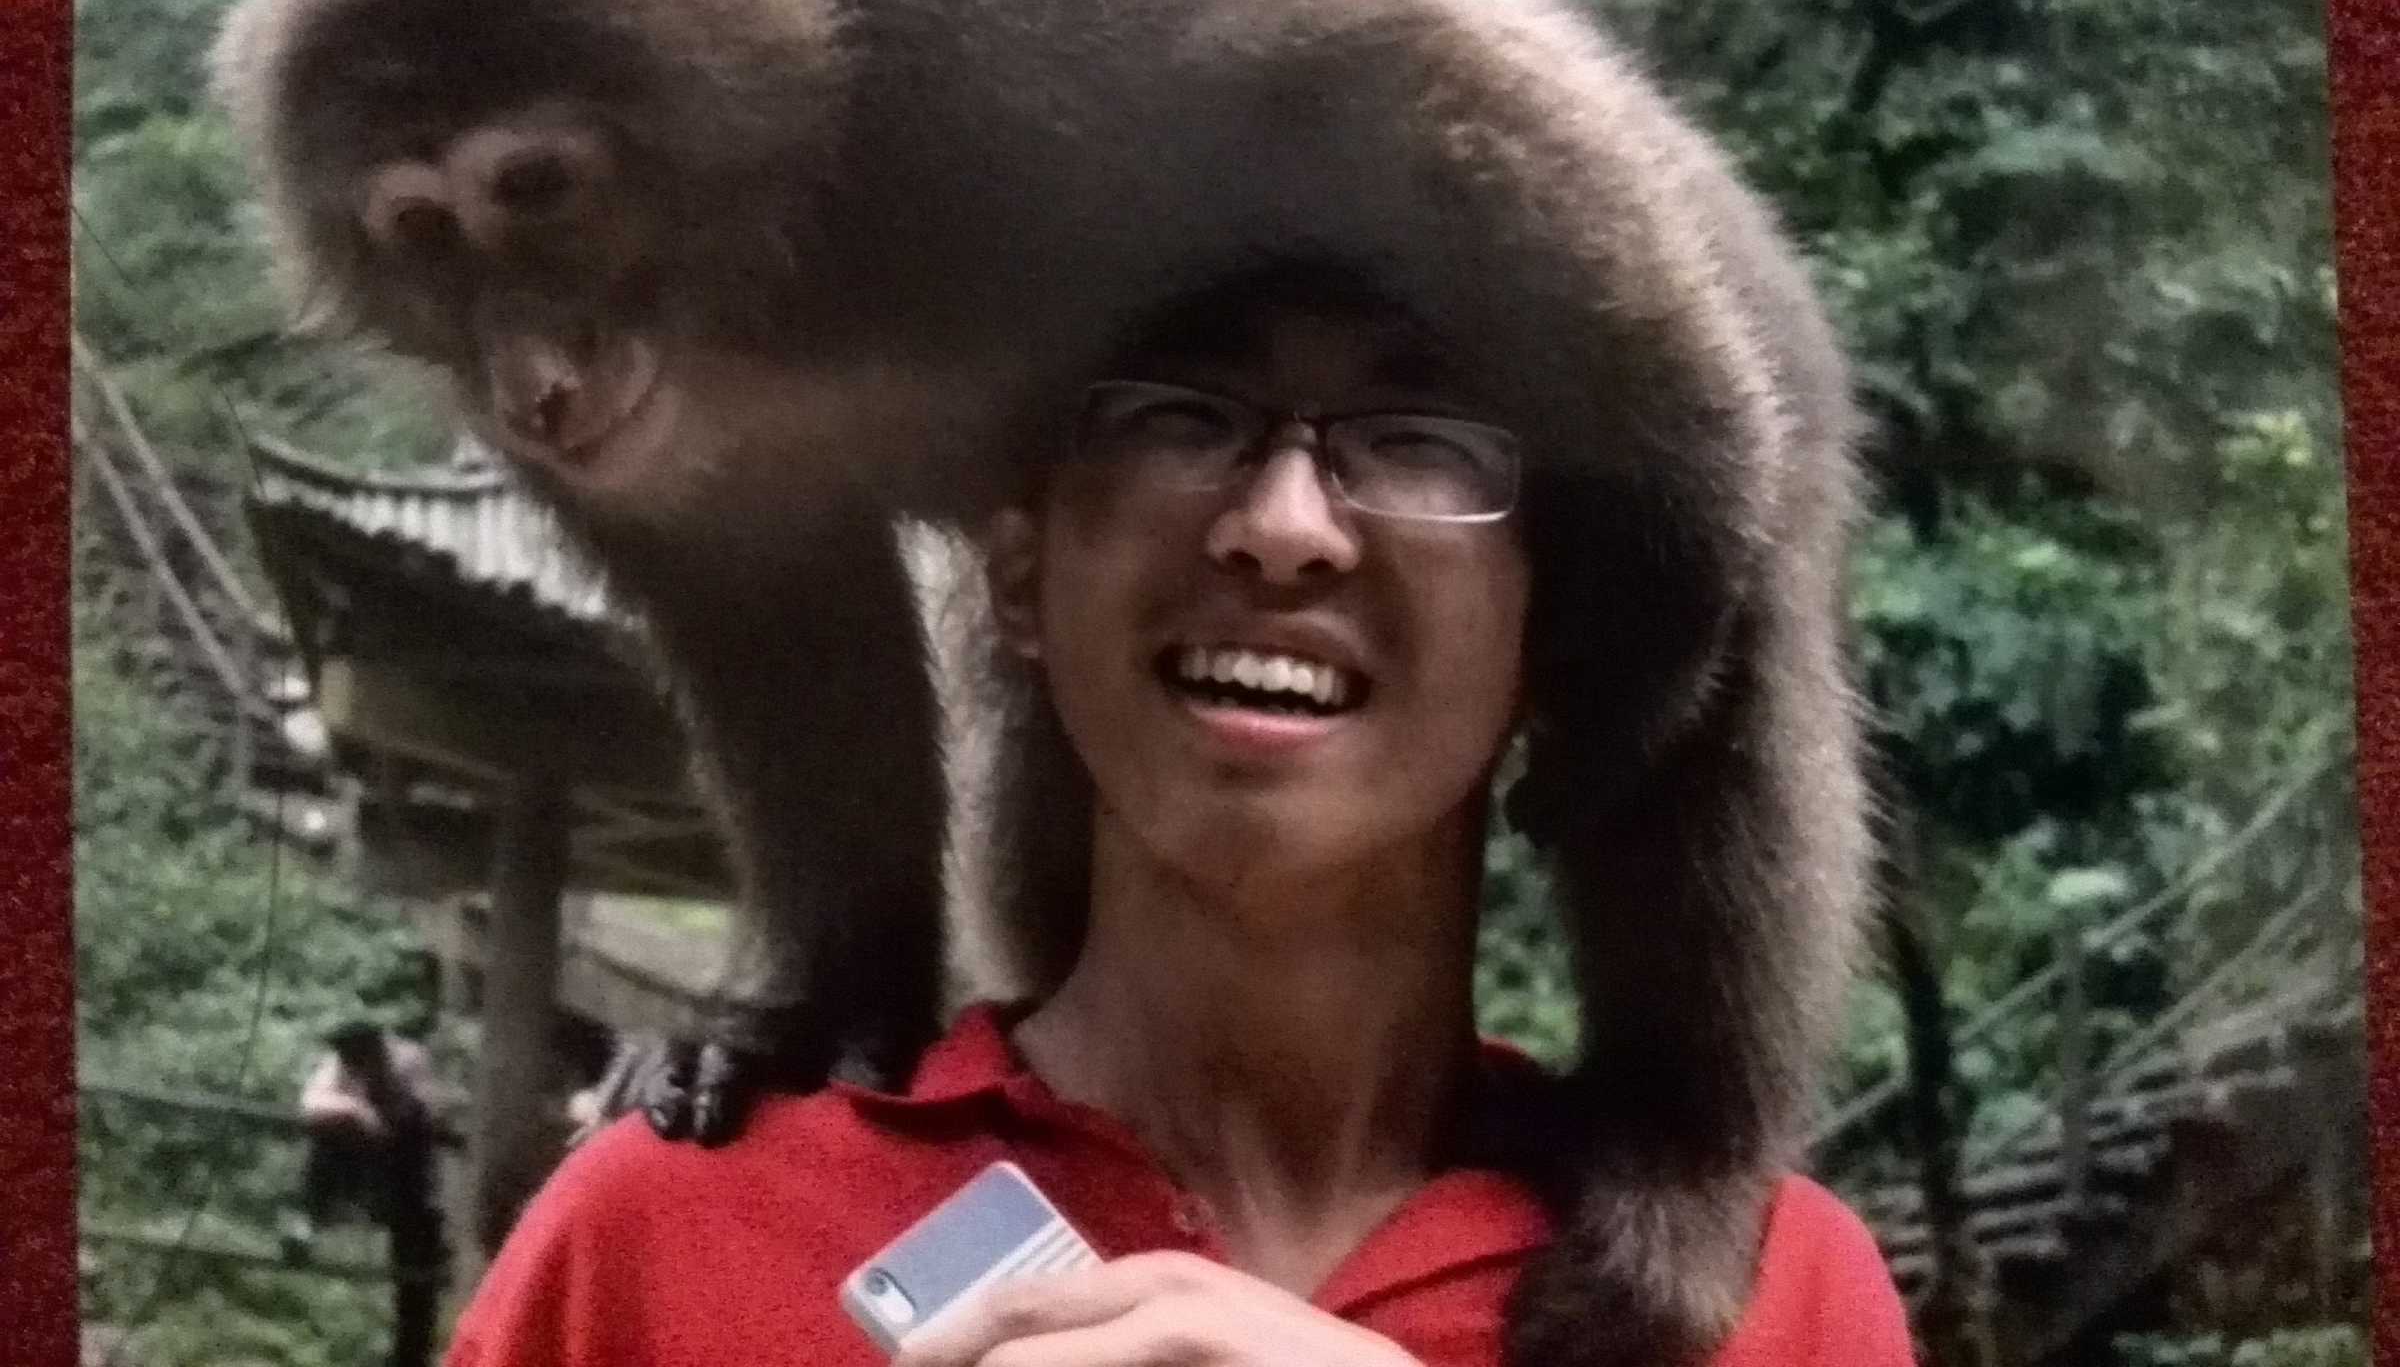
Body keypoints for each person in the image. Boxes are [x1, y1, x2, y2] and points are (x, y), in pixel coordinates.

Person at [443, 267, 1913, 1366]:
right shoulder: (674, 1235)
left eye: (1415, 437)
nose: (1283, 523)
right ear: (1016, 573)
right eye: (1179, 415)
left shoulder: (1770, 1303)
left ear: (1563, 627)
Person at [288, 1021, 451, 1367]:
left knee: (414, 1274)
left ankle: (409, 1354)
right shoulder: (342, 1064)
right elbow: (311, 1103)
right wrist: (358, 1112)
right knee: (326, 1132)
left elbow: (426, 1115)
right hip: (364, 1160)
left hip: (410, 1178)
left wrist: (381, 1108)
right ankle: (311, 1214)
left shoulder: (409, 1061)